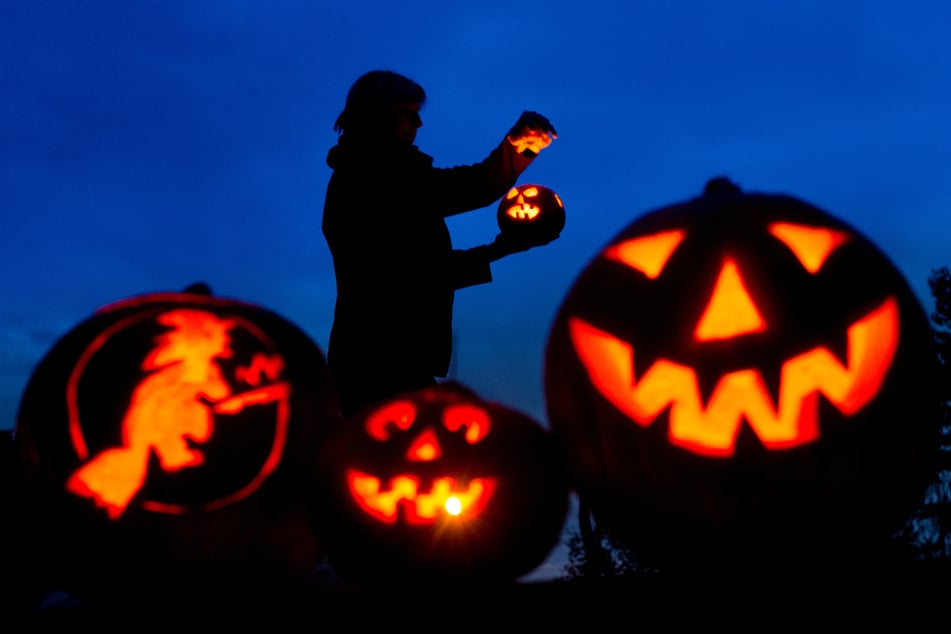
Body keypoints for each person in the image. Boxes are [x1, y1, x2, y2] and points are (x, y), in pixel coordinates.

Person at [321, 69, 559, 418]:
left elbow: (421, 268)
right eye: (408, 113)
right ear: (379, 113)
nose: (418, 123)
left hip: (384, 355)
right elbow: (413, 275)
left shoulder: (375, 175)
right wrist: (501, 248)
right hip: (382, 357)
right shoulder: (375, 180)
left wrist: (517, 148)